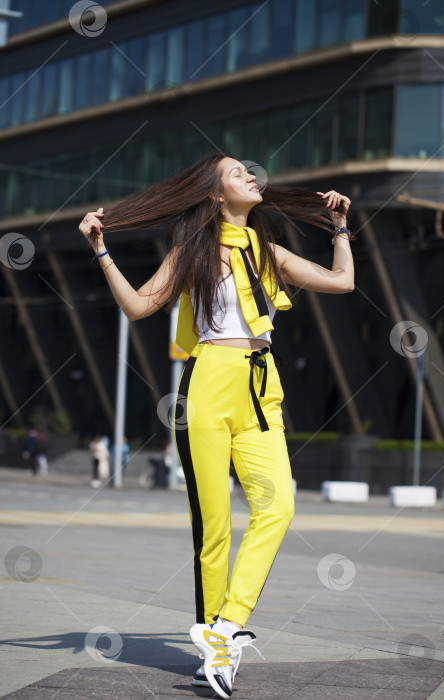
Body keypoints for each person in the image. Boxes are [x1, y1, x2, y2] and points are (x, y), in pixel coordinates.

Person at [78, 153, 354, 698]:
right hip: (207, 384)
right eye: (237, 173)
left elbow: (342, 282)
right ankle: (217, 650)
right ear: (216, 196)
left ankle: (225, 627)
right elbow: (138, 307)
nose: (251, 176)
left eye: (250, 172)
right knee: (215, 528)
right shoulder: (192, 253)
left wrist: (341, 228)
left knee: (278, 506)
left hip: (259, 384)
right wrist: (101, 251)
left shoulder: (268, 252)